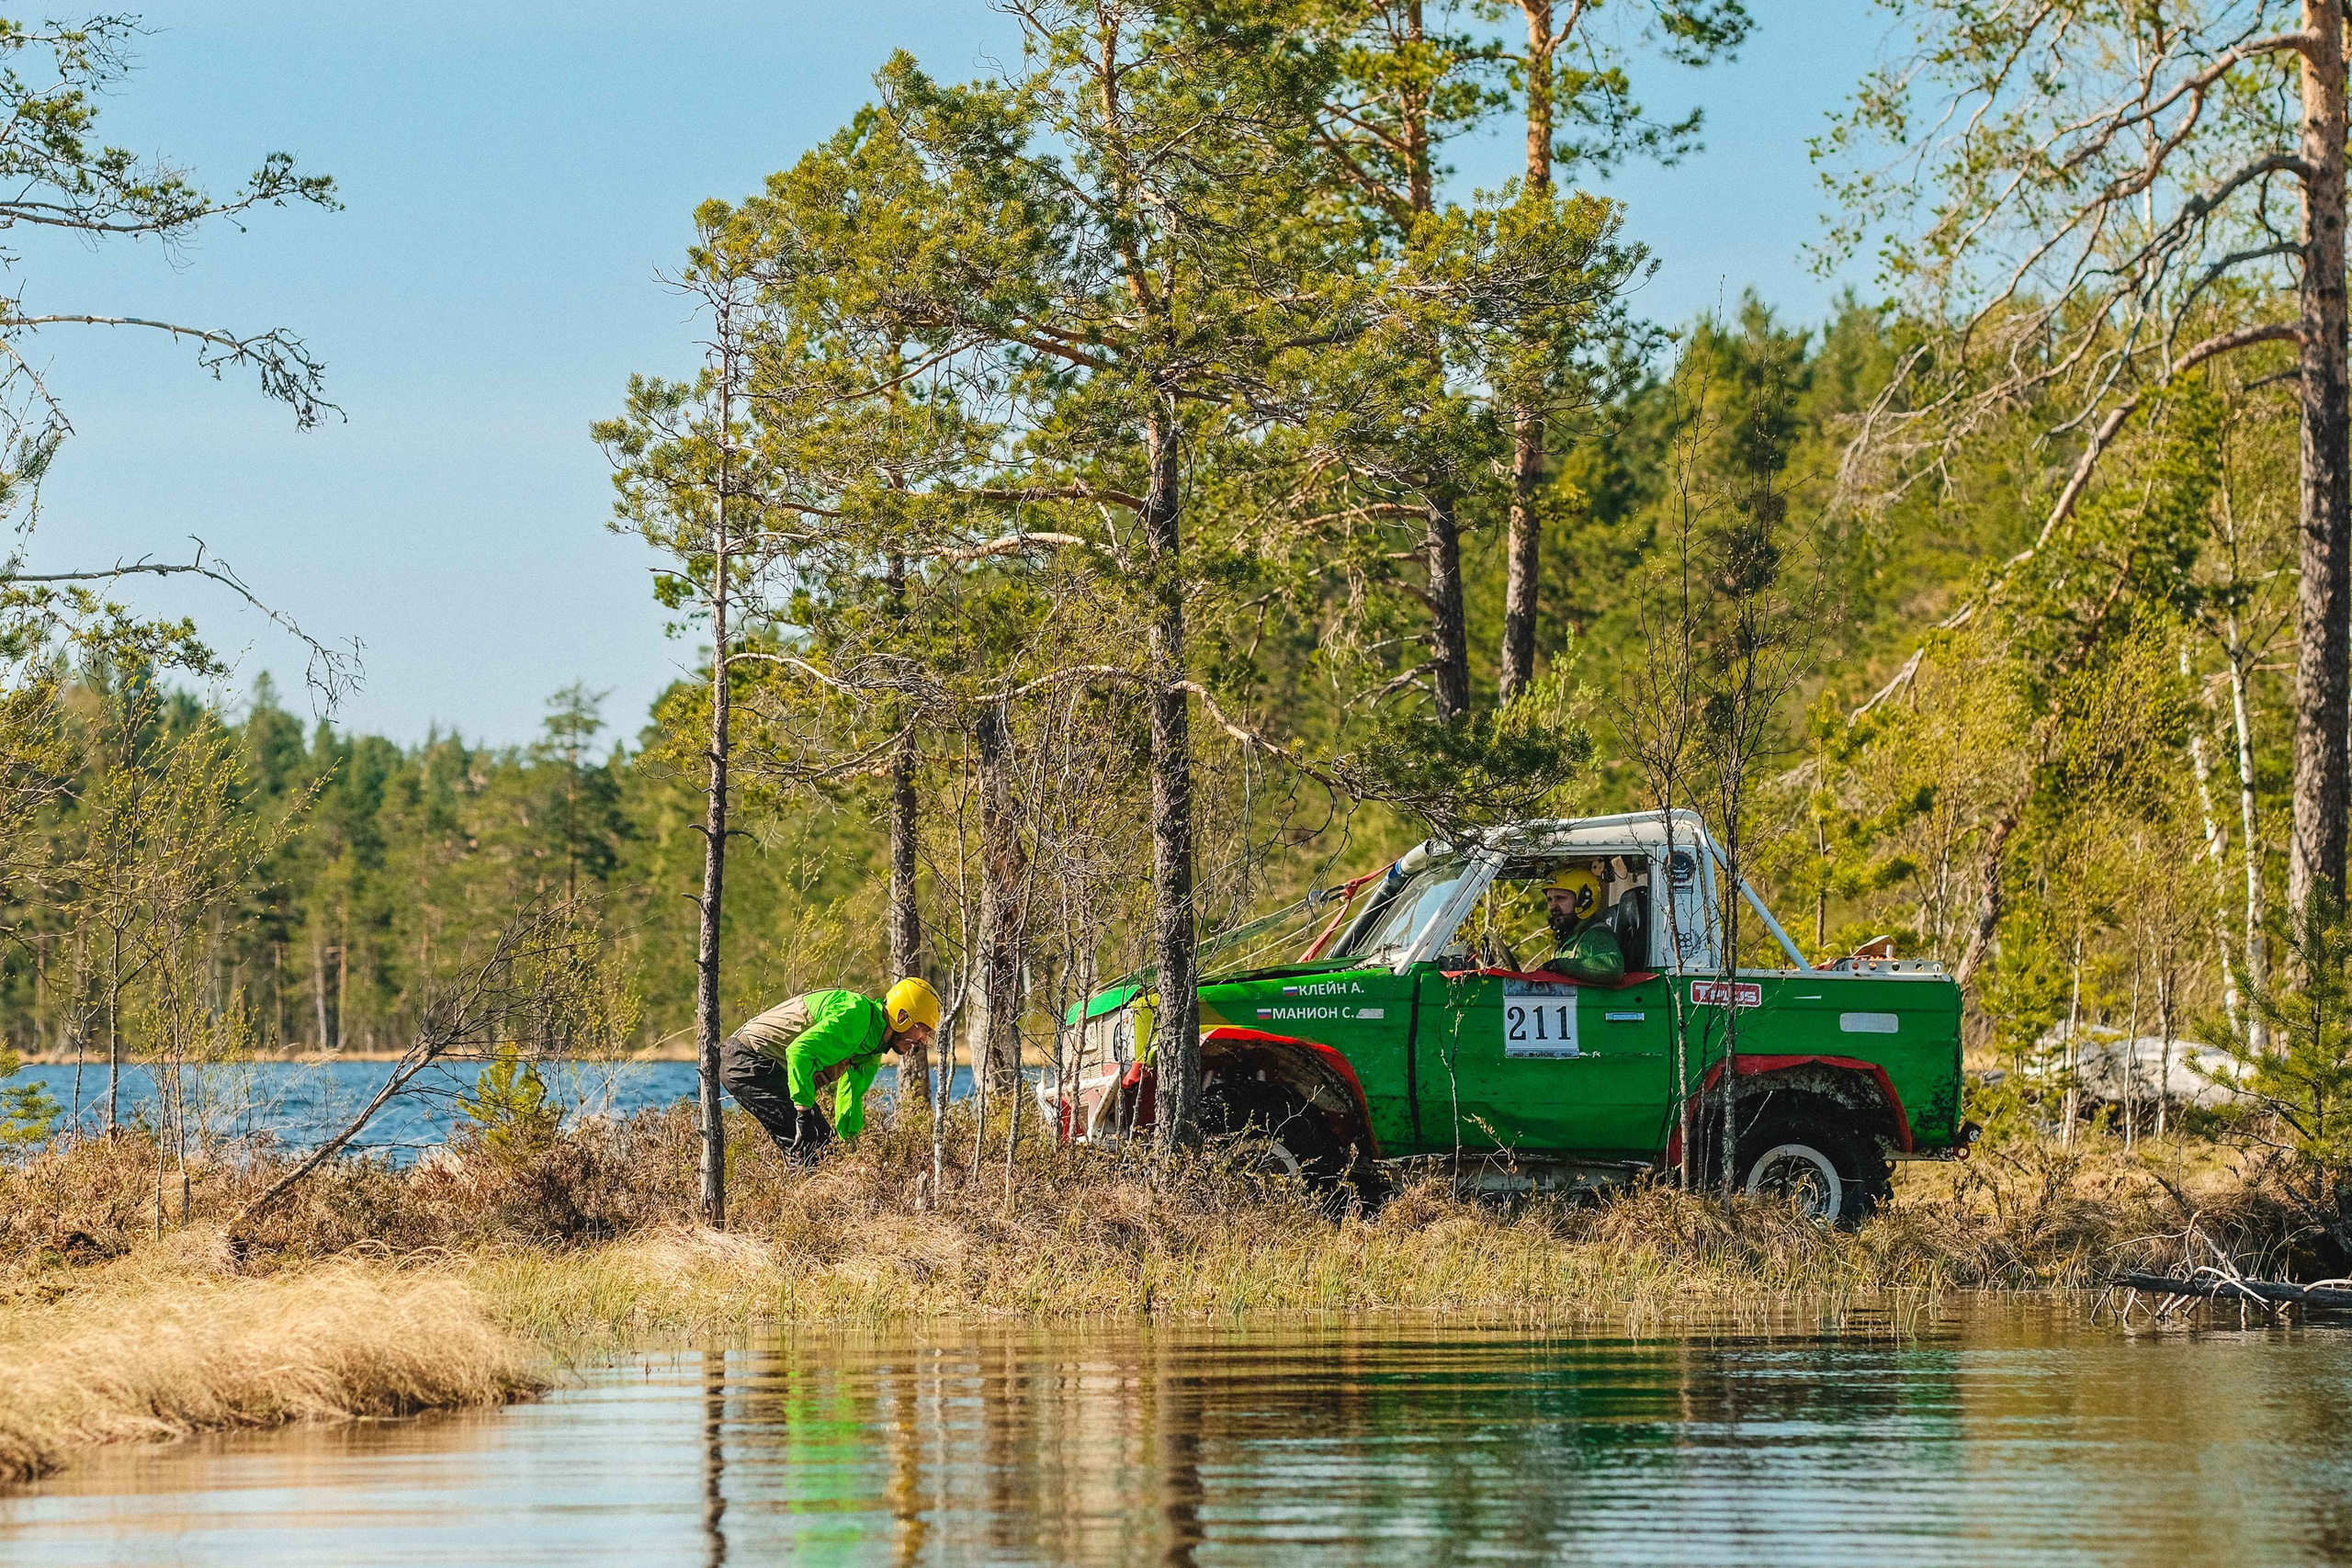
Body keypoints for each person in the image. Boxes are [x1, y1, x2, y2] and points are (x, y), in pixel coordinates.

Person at [719, 978, 941, 1162]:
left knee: (827, 1150)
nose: (922, 1040)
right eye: (922, 1029)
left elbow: (849, 1099)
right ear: (902, 1017)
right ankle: (802, 1211)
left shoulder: (873, 1047)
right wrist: (803, 1115)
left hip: (770, 1069)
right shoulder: (857, 1015)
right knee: (810, 1151)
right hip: (747, 1060)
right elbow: (799, 1052)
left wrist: (852, 1150)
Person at [1537, 865, 1624, 983]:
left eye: (1560, 898)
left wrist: (1559, 965)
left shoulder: (1597, 935)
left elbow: (1613, 968)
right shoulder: (1570, 937)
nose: (1553, 906)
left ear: (1584, 901)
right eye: (1550, 900)